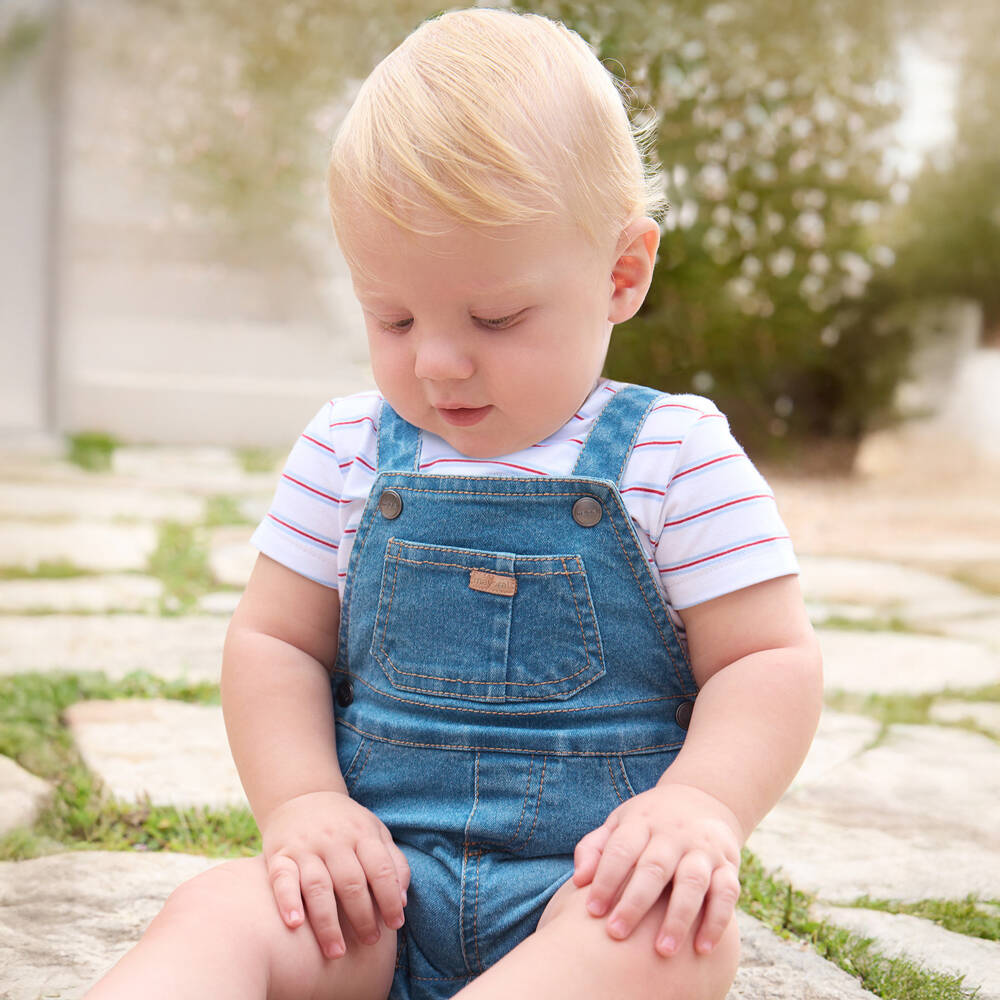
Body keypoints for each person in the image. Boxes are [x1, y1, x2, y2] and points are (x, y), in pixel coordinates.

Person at [85, 8, 822, 1000]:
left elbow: (765, 658)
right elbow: (275, 641)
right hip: (373, 893)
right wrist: (303, 803)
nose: (436, 361)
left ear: (621, 273)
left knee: (672, 941)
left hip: (589, 890)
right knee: (215, 911)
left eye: (495, 317)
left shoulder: (673, 454)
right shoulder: (346, 447)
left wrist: (702, 805)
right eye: (392, 316)